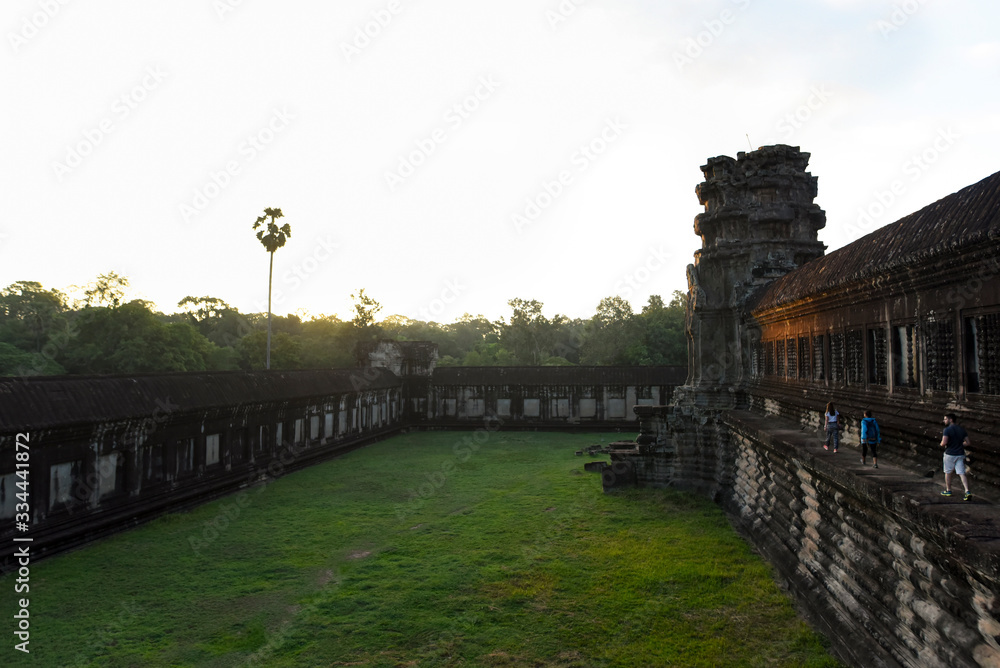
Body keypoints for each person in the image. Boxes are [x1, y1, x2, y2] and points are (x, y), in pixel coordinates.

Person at [940, 413, 972, 501]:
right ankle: (967, 491)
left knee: (948, 472)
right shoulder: (962, 429)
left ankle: (948, 490)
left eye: (945, 419)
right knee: (961, 472)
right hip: (960, 453)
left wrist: (941, 444)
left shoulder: (947, 430)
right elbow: (968, 443)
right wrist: (960, 444)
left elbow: (944, 442)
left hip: (950, 453)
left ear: (950, 420)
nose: (944, 421)